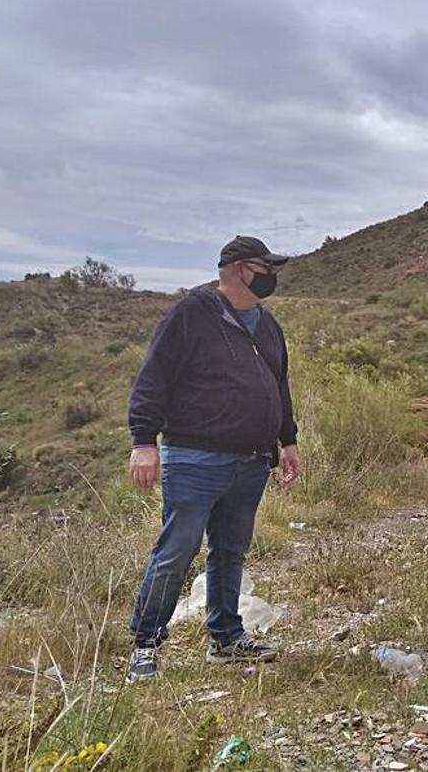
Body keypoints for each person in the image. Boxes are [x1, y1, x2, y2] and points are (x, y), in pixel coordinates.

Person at [124, 236, 300, 683]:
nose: (272, 275)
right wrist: (143, 441)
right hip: (194, 457)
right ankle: (145, 645)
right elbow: (154, 378)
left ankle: (225, 638)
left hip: (252, 460)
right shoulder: (191, 314)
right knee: (176, 551)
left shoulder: (268, 324)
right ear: (241, 269)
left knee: (230, 551)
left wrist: (288, 440)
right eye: (266, 266)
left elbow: (279, 385)